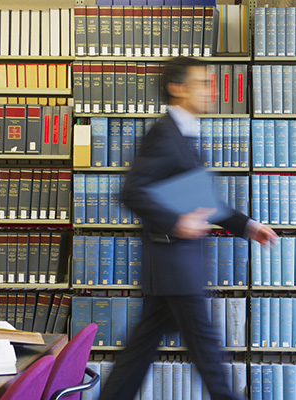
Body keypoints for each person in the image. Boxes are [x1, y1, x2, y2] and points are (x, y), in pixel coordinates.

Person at [98, 56, 277, 400]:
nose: (210, 91)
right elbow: (132, 192)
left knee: (140, 352)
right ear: (177, 88)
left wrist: (247, 226)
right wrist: (176, 222)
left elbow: (200, 200)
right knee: (207, 353)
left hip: (173, 267)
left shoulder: (184, 133)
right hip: (174, 265)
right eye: (202, 84)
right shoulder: (164, 134)